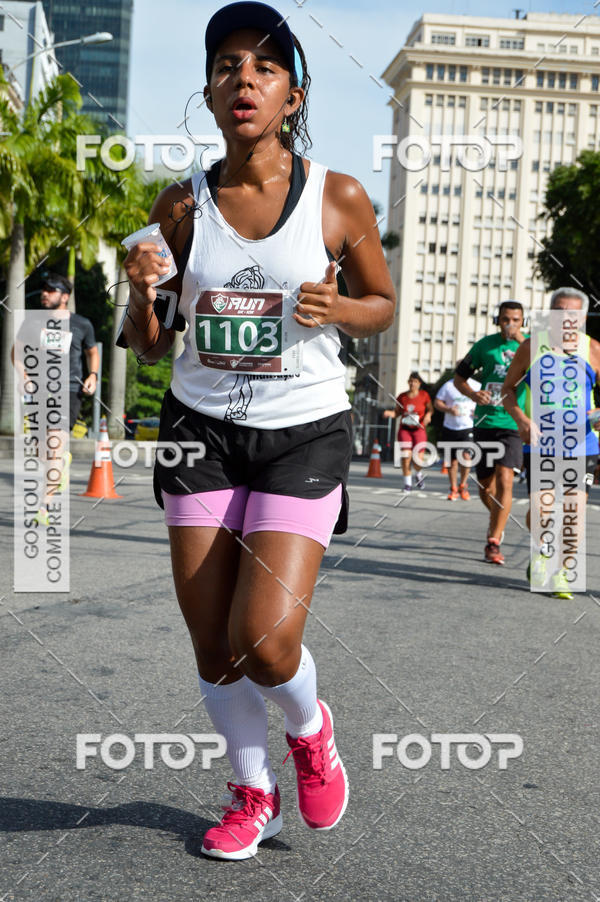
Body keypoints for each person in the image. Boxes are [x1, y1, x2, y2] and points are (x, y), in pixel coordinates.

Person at [120, 1, 394, 861]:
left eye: (265, 67)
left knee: (267, 643)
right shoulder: (178, 206)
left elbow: (381, 305)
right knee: (213, 643)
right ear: (207, 92)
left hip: (302, 434)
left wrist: (341, 306)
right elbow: (148, 341)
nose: (245, 78)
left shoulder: (337, 197)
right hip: (200, 432)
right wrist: (137, 289)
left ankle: (311, 730)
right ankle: (252, 792)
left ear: (294, 94)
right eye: (228, 64)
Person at [502, 287, 600, 599]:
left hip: (581, 445)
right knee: (543, 512)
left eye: (571, 313)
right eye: (558, 311)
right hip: (540, 444)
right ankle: (543, 549)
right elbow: (507, 390)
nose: (564, 319)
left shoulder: (594, 350)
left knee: (574, 510)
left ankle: (562, 574)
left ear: (582, 318)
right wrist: (522, 419)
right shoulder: (532, 347)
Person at [12, 273, 99, 522]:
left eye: (51, 290)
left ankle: (43, 508)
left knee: (53, 449)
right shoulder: (31, 323)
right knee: (42, 452)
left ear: (65, 297)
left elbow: (92, 352)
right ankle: (61, 464)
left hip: (68, 390)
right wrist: (24, 376)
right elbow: (16, 354)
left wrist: (92, 375)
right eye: (44, 289)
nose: (44, 293)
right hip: (38, 390)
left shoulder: (82, 324)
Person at [454, 301, 527, 565]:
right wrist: (473, 393)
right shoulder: (485, 346)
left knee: (506, 479)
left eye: (516, 320)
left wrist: (523, 342)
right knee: (486, 487)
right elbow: (458, 379)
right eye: (506, 319)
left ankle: (493, 541)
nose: (511, 324)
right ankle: (498, 517)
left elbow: (545, 376)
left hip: (513, 422)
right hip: (485, 422)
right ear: (498, 320)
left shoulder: (530, 346)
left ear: (523, 322)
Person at [384, 371, 433, 491]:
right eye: (410, 381)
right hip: (405, 430)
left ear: (419, 383)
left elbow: (430, 410)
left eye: (415, 381)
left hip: (419, 430)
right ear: (408, 382)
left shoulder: (424, 395)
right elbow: (397, 413)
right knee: (406, 457)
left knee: (418, 459)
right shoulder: (402, 397)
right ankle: (407, 484)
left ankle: (418, 474)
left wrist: (428, 416)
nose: (412, 384)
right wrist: (390, 413)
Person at [434, 374, 479, 501]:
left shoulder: (476, 385)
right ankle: (453, 488)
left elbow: (485, 401)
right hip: (450, 427)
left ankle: (463, 485)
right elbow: (437, 402)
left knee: (466, 457)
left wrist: (478, 412)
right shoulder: (448, 385)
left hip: (468, 426)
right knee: (452, 461)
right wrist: (448, 409)